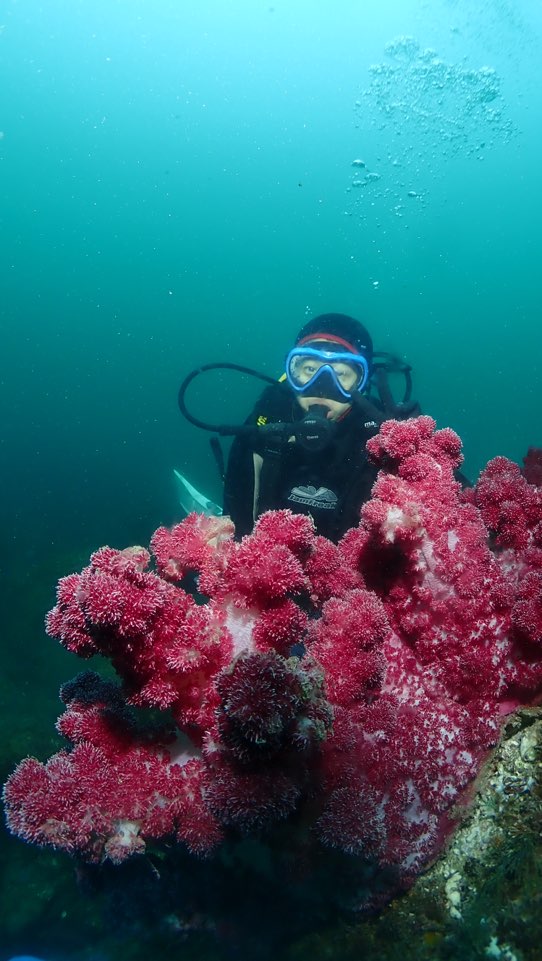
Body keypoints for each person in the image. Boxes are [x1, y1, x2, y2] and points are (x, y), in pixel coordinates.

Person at [223, 312, 417, 542]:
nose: (323, 387)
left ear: (362, 383)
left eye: (342, 373)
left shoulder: (381, 431)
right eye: (309, 370)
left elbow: (455, 504)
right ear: (291, 374)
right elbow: (237, 524)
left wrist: (413, 449)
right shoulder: (265, 423)